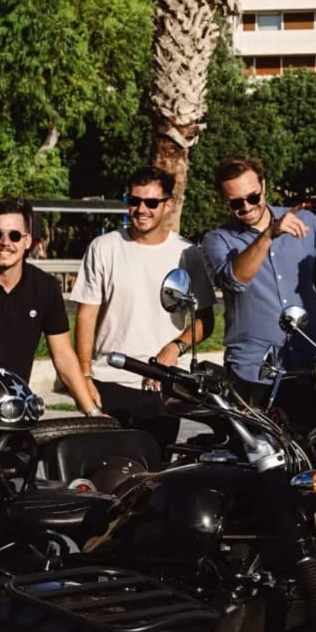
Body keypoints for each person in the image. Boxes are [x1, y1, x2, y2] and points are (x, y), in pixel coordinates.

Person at [72, 167, 215, 452]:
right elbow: (86, 315)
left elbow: (205, 320)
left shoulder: (187, 253)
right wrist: (84, 377)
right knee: (107, 476)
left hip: (162, 388)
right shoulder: (104, 247)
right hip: (108, 381)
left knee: (154, 479)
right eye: (134, 200)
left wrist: (175, 348)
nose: (141, 209)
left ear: (168, 205)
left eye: (151, 202)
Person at [201, 157, 316, 428]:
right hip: (252, 371)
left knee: (312, 457)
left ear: (264, 186)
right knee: (257, 460)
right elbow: (233, 281)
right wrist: (269, 235)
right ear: (224, 202)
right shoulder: (218, 239)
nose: (247, 207)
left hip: (308, 366)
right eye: (236, 203)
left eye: (253, 197)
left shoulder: (306, 223)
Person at [0, 198, 101, 416]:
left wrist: (92, 411)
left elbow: (64, 356)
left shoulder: (45, 287)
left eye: (15, 235)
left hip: (16, 404)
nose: (5, 242)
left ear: (27, 241)